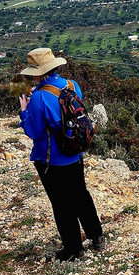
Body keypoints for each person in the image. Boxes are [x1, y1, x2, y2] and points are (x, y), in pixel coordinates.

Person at [18, 47, 104, 261]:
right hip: (75, 153)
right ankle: (97, 236)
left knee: (61, 203)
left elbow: (35, 132)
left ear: (37, 73)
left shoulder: (38, 97)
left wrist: (24, 112)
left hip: (51, 160)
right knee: (81, 194)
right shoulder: (72, 85)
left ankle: (74, 250)